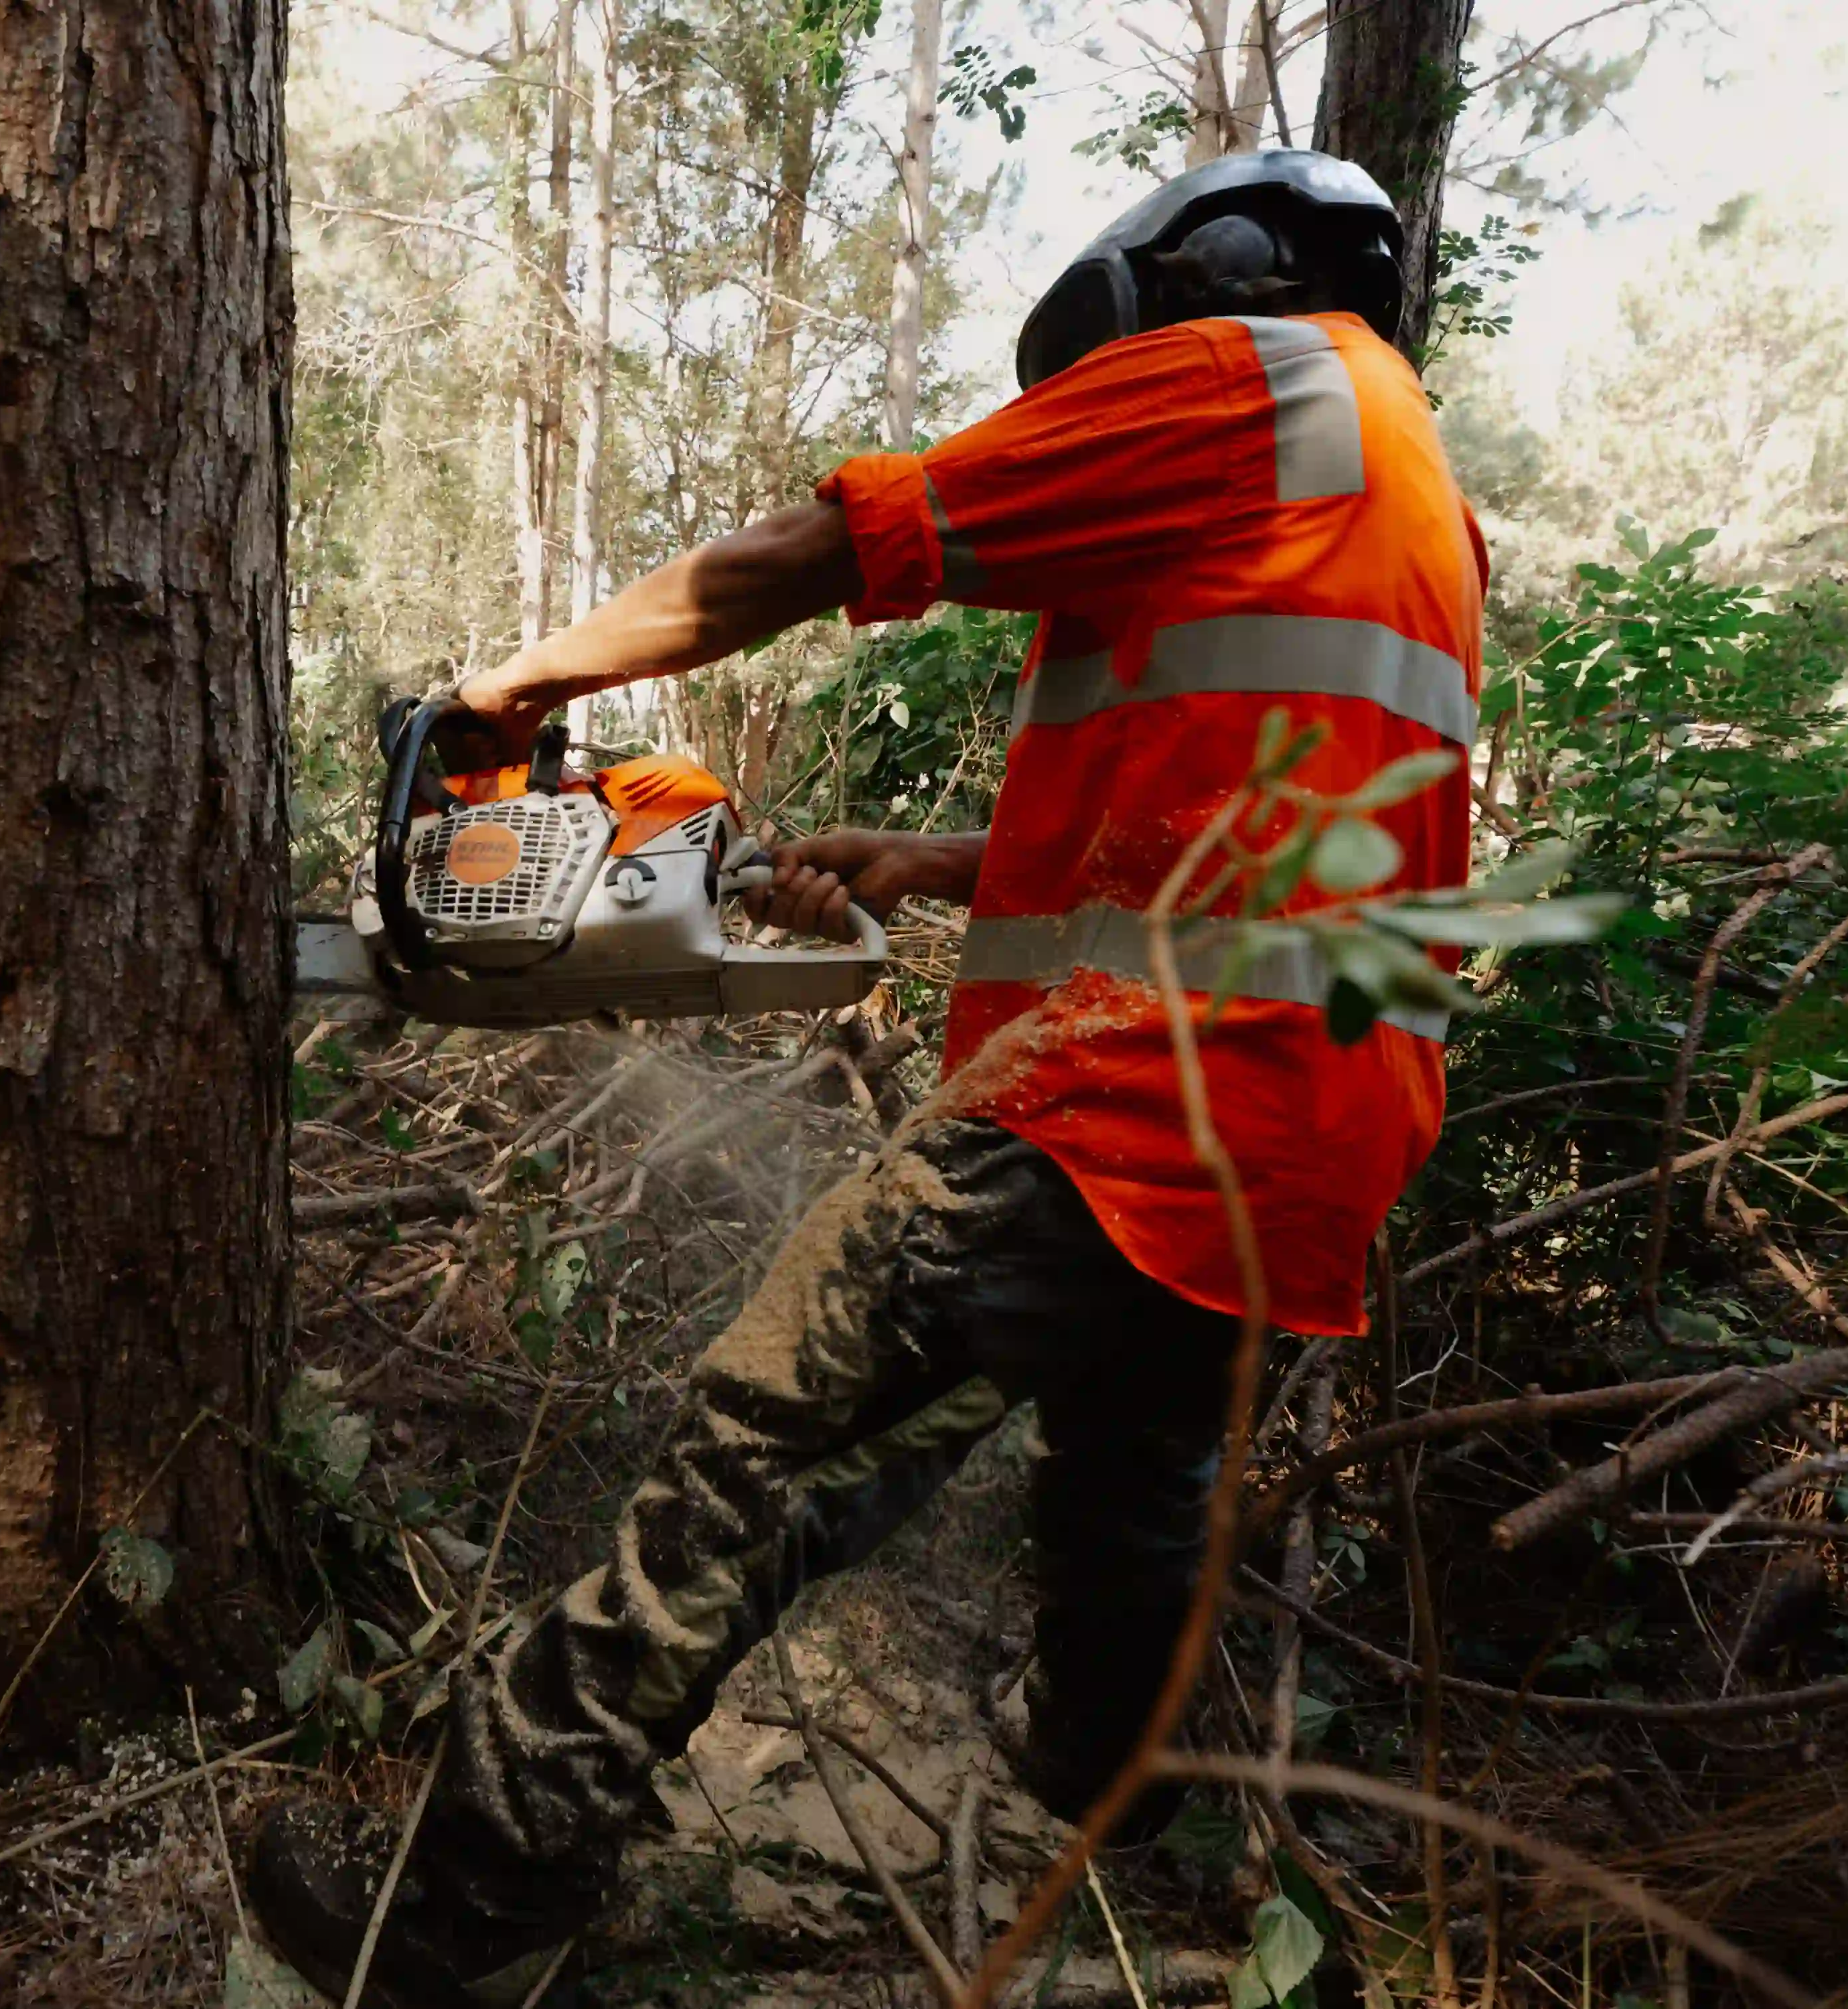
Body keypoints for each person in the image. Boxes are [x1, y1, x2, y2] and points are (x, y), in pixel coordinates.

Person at [248, 149, 1487, 2008]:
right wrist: (936, 862)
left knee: (752, 1446)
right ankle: (1096, 1802)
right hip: (1311, 1131)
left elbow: (823, 555)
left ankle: (450, 1912)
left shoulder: (1250, 378)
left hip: (1127, 1101)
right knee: (1135, 1475)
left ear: (1206, 269)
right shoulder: (1404, 487)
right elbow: (1257, 825)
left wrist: (512, 694)